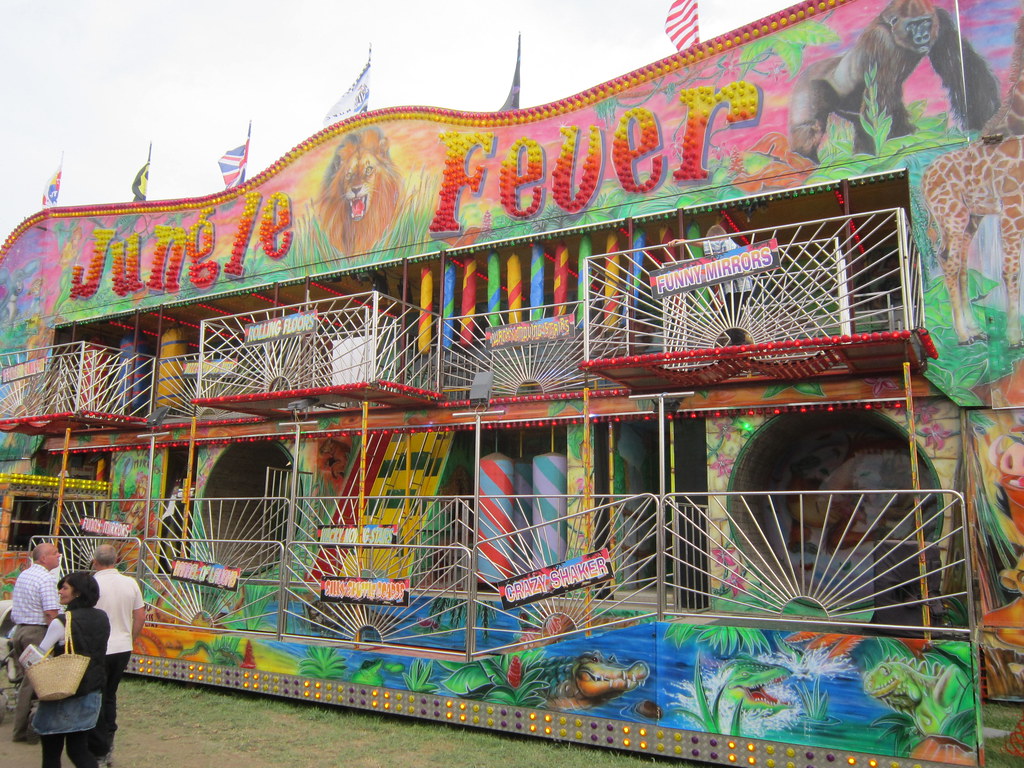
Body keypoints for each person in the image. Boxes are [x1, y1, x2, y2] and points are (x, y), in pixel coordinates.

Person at [33, 571, 110, 768]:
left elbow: (39, 654)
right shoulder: (102, 618)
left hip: (62, 691)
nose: (60, 591)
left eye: (65, 588)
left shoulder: (62, 621)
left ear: (78, 592)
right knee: (78, 750)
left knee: (51, 754)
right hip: (90, 690)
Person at [88, 544, 146, 765]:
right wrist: (130, 638)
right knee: (110, 694)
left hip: (98, 647)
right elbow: (140, 617)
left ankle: (97, 747)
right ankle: (108, 743)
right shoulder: (130, 583)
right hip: (122, 646)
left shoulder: (91, 583)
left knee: (95, 695)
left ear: (95, 562)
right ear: (117, 560)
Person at [10, 542, 62, 744]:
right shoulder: (45, 578)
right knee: (33, 682)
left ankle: (28, 723)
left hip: (20, 631)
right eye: (54, 553)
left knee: (26, 679)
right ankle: (22, 729)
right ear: (43, 558)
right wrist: (57, 636)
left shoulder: (25, 574)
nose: (59, 555)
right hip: (36, 633)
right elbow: (50, 613)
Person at [704, 223, 755, 346]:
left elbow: (711, 245)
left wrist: (685, 242)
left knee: (729, 315)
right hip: (735, 288)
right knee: (729, 315)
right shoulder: (728, 248)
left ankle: (740, 340)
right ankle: (740, 338)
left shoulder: (727, 243)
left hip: (739, 287)